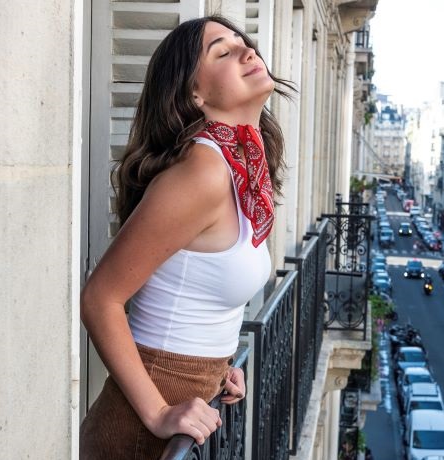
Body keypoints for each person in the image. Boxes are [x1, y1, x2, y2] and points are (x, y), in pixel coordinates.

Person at [79, 15, 295, 459]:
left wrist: (219, 368)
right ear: (195, 94)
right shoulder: (203, 171)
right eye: (224, 52)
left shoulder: (239, 166)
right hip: (142, 429)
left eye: (242, 41)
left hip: (191, 395)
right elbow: (100, 298)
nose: (248, 50)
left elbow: (199, 291)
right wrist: (158, 412)